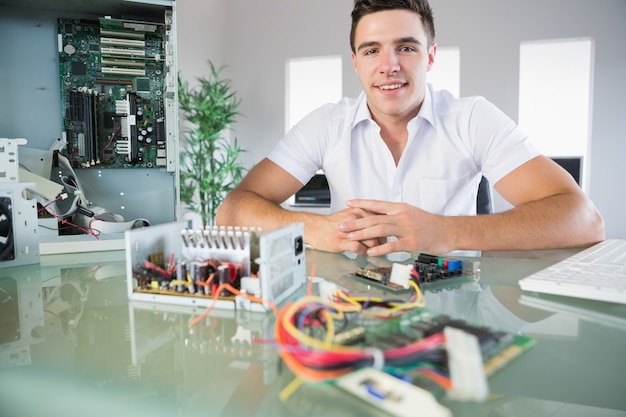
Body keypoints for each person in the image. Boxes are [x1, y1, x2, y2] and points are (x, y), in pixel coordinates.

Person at [216, 0, 605, 256]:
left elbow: (583, 219)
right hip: (352, 315)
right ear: (355, 61)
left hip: (453, 319)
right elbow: (232, 211)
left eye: (406, 47)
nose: (389, 66)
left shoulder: (472, 118)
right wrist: (316, 230)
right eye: (372, 50)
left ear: (430, 56)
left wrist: (446, 232)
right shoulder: (325, 123)